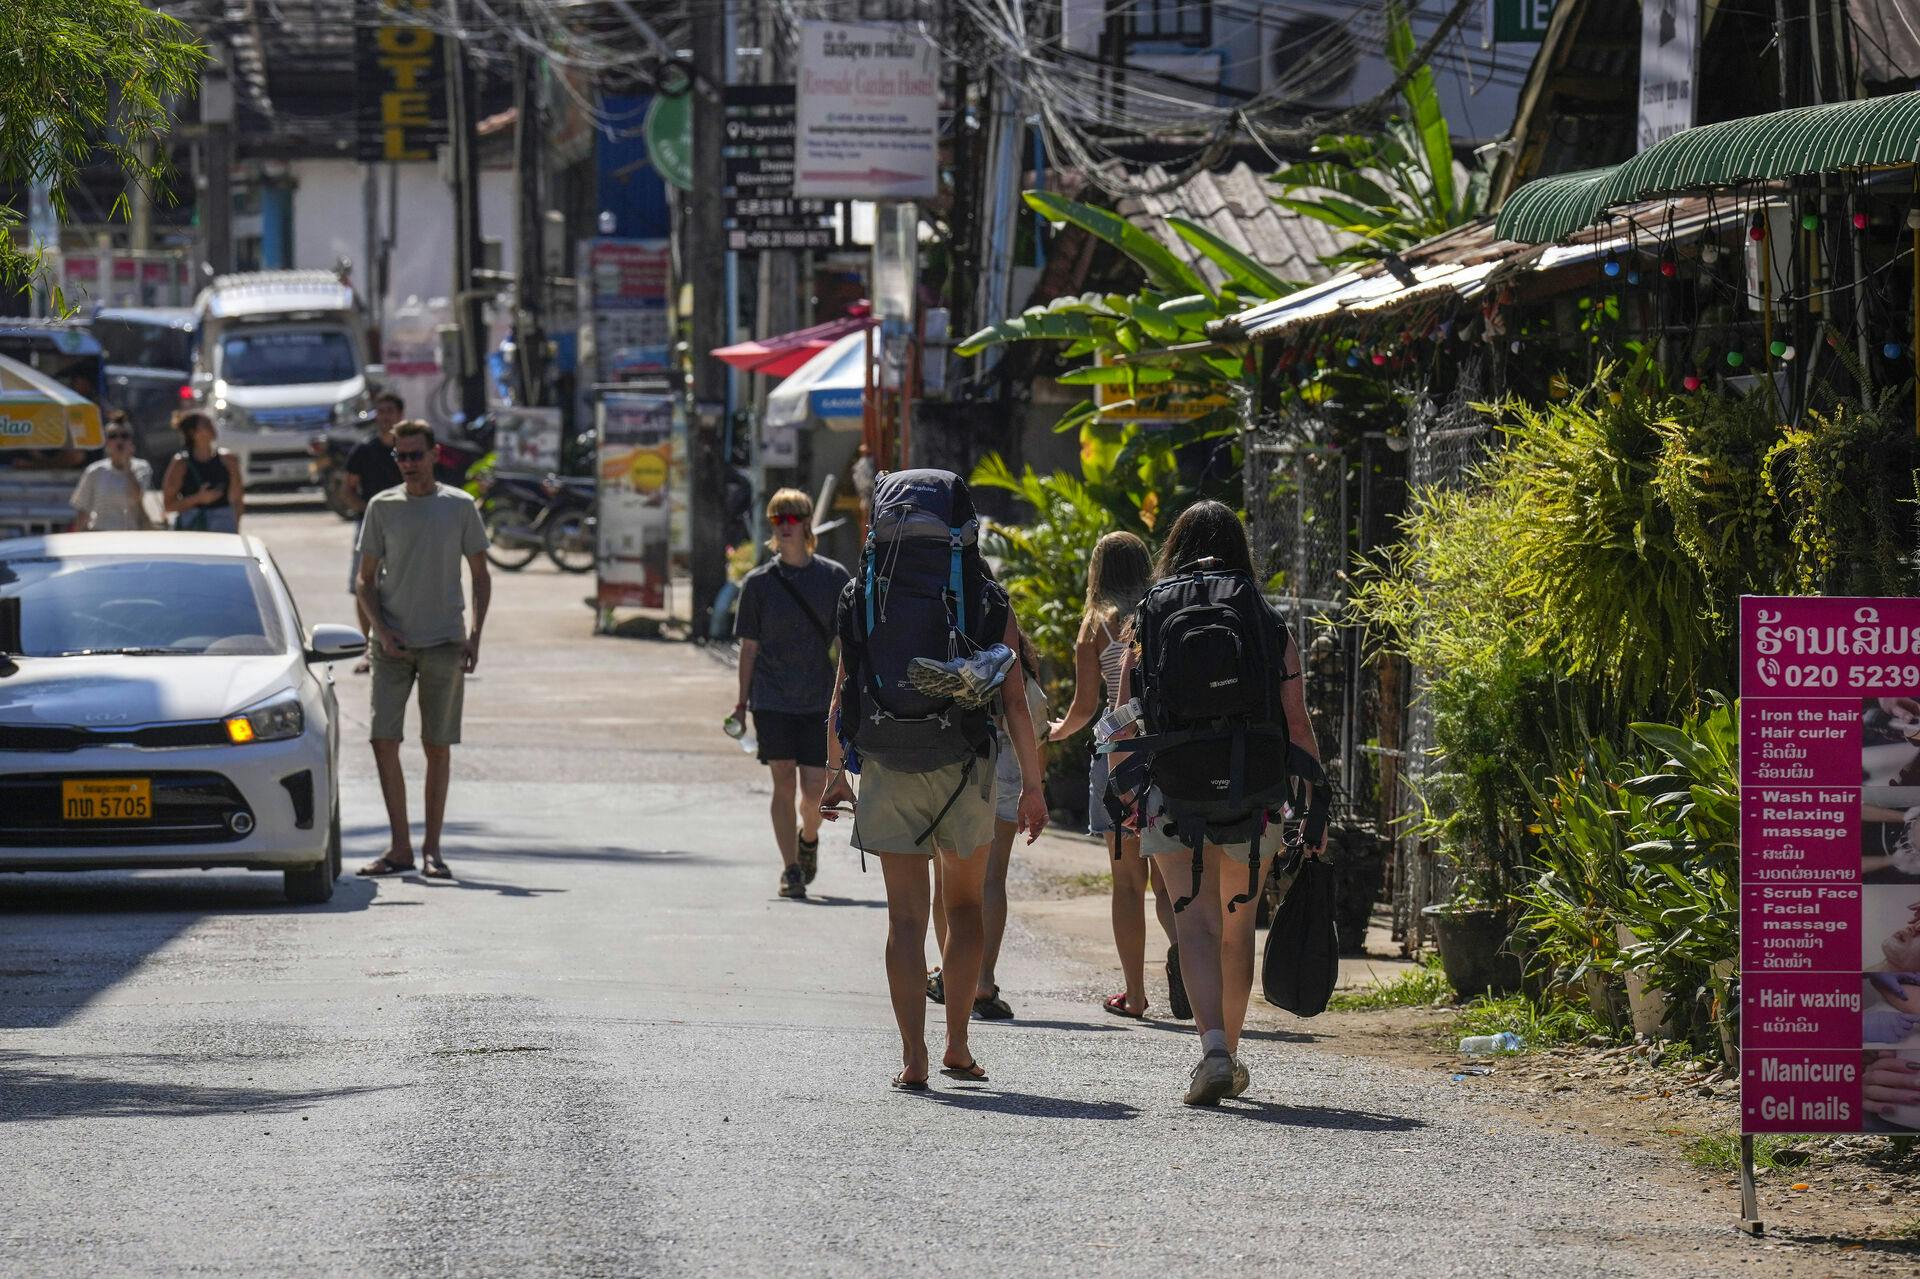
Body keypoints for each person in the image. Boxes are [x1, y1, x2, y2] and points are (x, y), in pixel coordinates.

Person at [820, 469, 1048, 1090]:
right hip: (964, 764)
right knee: (966, 906)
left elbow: (843, 690)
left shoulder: (862, 593)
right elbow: (1016, 703)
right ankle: (957, 1045)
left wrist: (837, 772)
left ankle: (912, 1058)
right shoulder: (986, 594)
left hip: (888, 761)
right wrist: (1032, 784)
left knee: (904, 920)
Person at [1109, 500, 1324, 1106]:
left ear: (1173, 547)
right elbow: (1297, 722)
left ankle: (1214, 1051)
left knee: (1193, 922)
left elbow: (1125, 720)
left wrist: (1124, 788)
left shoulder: (1148, 619)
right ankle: (1231, 1047)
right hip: (1254, 791)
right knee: (1236, 925)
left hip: (1173, 790)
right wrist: (1313, 801)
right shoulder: (1264, 619)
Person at [1047, 531, 1185, 1021]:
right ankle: (1189, 961)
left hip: (1118, 761)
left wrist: (1052, 733)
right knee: (1171, 881)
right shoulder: (1160, 610)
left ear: (1098, 571)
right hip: (1169, 759)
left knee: (1127, 885)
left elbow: (1086, 708)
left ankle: (1135, 994)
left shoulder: (1097, 626)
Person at [353, 420, 491, 883]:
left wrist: (475, 635)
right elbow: (364, 581)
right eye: (401, 457)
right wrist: (381, 631)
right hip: (392, 645)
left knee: (437, 745)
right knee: (383, 739)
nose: (409, 464)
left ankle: (433, 849)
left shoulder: (459, 506)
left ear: (435, 455)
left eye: (416, 455)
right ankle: (400, 847)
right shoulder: (382, 507)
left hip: (443, 642)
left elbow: (481, 574)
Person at [732, 488, 850, 900]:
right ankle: (791, 870)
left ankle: (809, 838)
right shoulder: (758, 584)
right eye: (777, 520)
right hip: (772, 699)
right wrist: (741, 704)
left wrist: (851, 694)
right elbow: (748, 649)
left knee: (814, 790)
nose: (784, 526)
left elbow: (848, 644)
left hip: (819, 700)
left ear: (806, 526)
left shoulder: (834, 578)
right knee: (782, 779)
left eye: (791, 518)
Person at [927, 630, 1047, 1019]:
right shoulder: (1018, 671)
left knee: (948, 879)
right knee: (992, 879)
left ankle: (951, 972)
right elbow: (1037, 728)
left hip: (961, 770)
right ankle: (983, 979)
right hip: (1010, 774)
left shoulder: (950, 655)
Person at [345, 391, 407, 674]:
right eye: (380, 412)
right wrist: (367, 511)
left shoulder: (410, 451)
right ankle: (370, 650)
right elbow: (347, 489)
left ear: (400, 415)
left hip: (405, 525)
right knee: (363, 584)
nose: (385, 417)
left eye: (390, 411)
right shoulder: (363, 451)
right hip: (369, 527)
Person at [68, 412, 153, 531]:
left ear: (131, 441)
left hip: (129, 534)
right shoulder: (95, 471)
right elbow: (83, 510)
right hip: (101, 534)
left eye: (124, 436)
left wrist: (126, 464)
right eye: (113, 436)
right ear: (107, 442)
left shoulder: (141, 467)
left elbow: (136, 497)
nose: (119, 440)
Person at [162, 411, 243, 533]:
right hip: (192, 527)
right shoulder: (181, 463)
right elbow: (169, 505)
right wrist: (197, 499)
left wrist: (234, 525)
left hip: (223, 525)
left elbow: (237, 499)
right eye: (206, 425)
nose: (212, 428)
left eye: (211, 424)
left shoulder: (228, 460)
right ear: (193, 433)